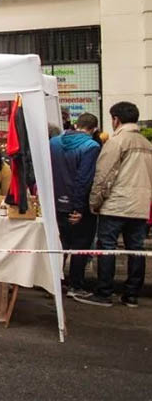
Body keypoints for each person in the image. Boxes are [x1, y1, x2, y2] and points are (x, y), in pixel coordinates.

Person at [79, 102, 152, 308]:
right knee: (135, 249)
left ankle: (104, 292)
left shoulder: (116, 142)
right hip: (140, 206)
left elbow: (103, 175)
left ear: (116, 119)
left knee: (107, 247)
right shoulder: (147, 144)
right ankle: (131, 294)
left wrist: (95, 201)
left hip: (116, 204)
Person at [49, 113, 100, 298]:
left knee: (58, 245)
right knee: (80, 246)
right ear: (93, 129)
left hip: (55, 202)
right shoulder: (91, 147)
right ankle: (75, 285)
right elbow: (83, 179)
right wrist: (79, 208)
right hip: (77, 204)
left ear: (76, 125)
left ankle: (54, 283)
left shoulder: (53, 142)